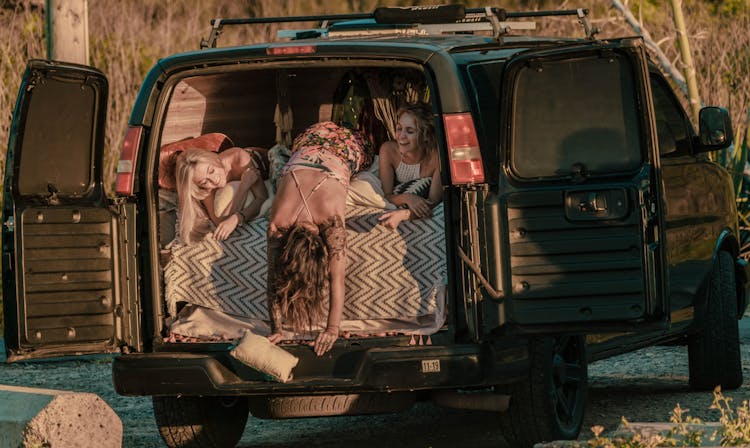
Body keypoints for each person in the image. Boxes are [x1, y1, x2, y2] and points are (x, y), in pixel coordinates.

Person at [267, 121, 373, 356]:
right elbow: (337, 277)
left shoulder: (281, 223)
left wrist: (331, 328)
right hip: (326, 138)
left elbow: (273, 278)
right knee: (277, 161)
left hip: (332, 140)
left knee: (276, 163)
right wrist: (330, 329)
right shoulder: (317, 219)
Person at [174, 146, 269, 244]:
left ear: (214, 160)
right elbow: (220, 222)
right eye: (204, 182)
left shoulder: (239, 159)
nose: (214, 180)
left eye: (211, 171)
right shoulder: (206, 189)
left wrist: (238, 217)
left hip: (266, 161)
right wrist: (243, 187)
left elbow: (262, 197)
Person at [377, 103, 442, 230]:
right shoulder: (388, 150)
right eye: (399, 128)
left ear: (426, 137)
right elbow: (387, 196)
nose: (401, 136)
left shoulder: (436, 158)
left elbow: (432, 203)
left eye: (410, 131)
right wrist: (408, 198)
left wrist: (404, 214)